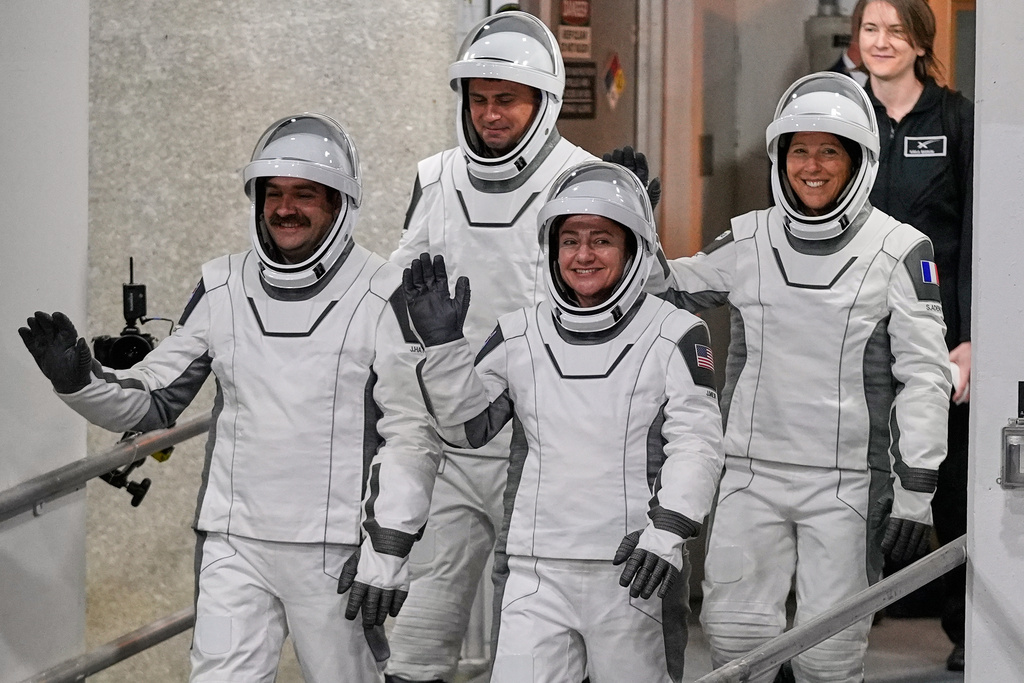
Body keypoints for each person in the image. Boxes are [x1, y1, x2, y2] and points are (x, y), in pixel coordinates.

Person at [18, 113, 440, 683]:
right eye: (273, 193)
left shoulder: (381, 291)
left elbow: (411, 433)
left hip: (337, 551)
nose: (285, 208)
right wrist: (80, 382)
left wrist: (389, 546)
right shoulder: (222, 284)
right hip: (233, 544)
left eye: (305, 194)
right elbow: (151, 399)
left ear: (340, 203)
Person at [649, 72, 951, 682]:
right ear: (780, 157)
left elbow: (926, 377)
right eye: (799, 150)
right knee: (737, 642)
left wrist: (916, 492)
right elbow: (663, 286)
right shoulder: (748, 237)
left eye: (829, 151)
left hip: (846, 487)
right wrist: (629, 226)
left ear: (859, 160)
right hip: (749, 475)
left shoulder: (901, 250)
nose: (811, 166)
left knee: (828, 656)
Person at [402, 160, 725, 683]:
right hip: (535, 569)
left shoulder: (677, 333)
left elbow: (699, 445)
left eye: (601, 239)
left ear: (634, 248)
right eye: (569, 239)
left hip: (634, 567)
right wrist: (444, 348)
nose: (582, 254)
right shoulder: (518, 332)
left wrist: (668, 532)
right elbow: (467, 428)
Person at [384, 11, 595, 683]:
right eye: (479, 99)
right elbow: (387, 292)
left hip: (545, 457)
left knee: (532, 653)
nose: (490, 114)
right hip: (452, 445)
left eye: (506, 99)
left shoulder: (582, 178)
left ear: (543, 100)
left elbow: (634, 315)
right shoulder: (437, 178)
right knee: (414, 644)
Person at [853, 0, 974, 670]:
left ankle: (965, 631)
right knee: (855, 479)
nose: (881, 42)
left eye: (896, 30)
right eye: (871, 29)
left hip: (940, 337)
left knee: (949, 483)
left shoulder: (956, 119)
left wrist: (974, 338)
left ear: (921, 42)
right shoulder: (838, 112)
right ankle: (842, 619)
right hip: (858, 333)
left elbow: (981, 233)